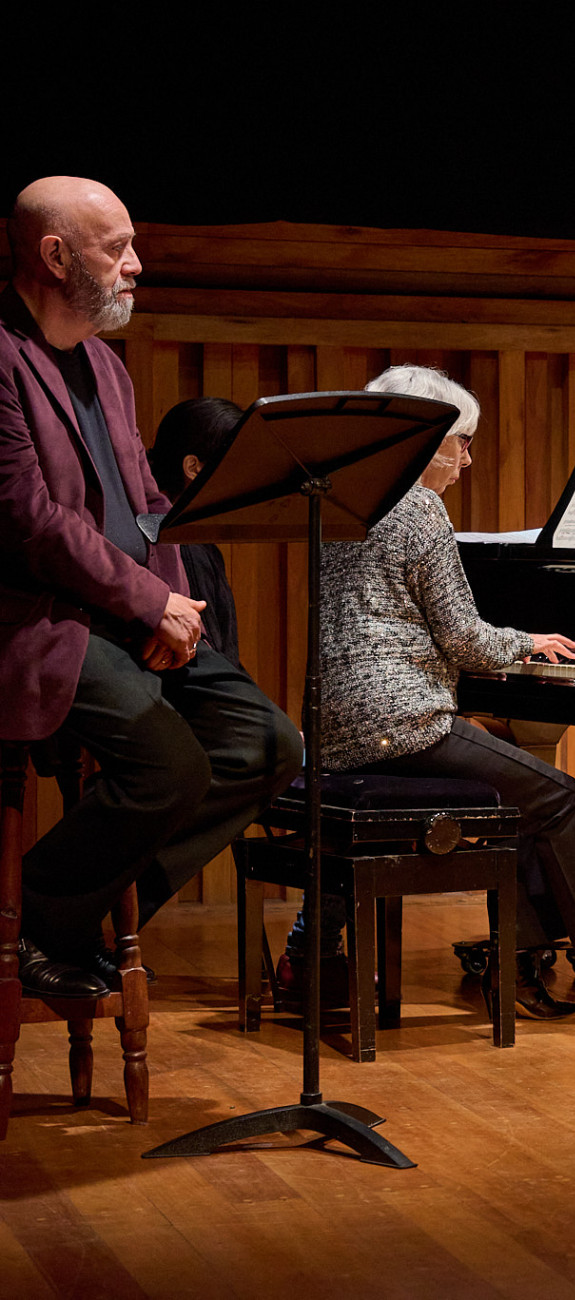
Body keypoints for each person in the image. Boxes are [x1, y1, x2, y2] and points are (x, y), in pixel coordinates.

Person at [0, 177, 301, 998]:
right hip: (46, 618)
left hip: (129, 609)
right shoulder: (3, 356)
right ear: (55, 256)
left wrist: (173, 608)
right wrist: (145, 602)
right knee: (170, 766)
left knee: (268, 745)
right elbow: (31, 521)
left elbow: (149, 502)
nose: (135, 264)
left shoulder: (105, 363)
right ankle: (34, 923)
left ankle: (76, 921)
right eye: (117, 248)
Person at [306, 364, 575, 1018]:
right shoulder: (419, 507)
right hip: (403, 726)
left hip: (335, 724)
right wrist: (527, 642)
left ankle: (520, 966)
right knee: (559, 796)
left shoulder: (342, 500)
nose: (468, 460)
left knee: (522, 788)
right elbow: (465, 638)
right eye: (462, 441)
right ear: (426, 439)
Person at [147, 396, 246, 667]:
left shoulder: (192, 540)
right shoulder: (184, 547)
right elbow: (209, 659)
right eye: (235, 463)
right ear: (193, 468)